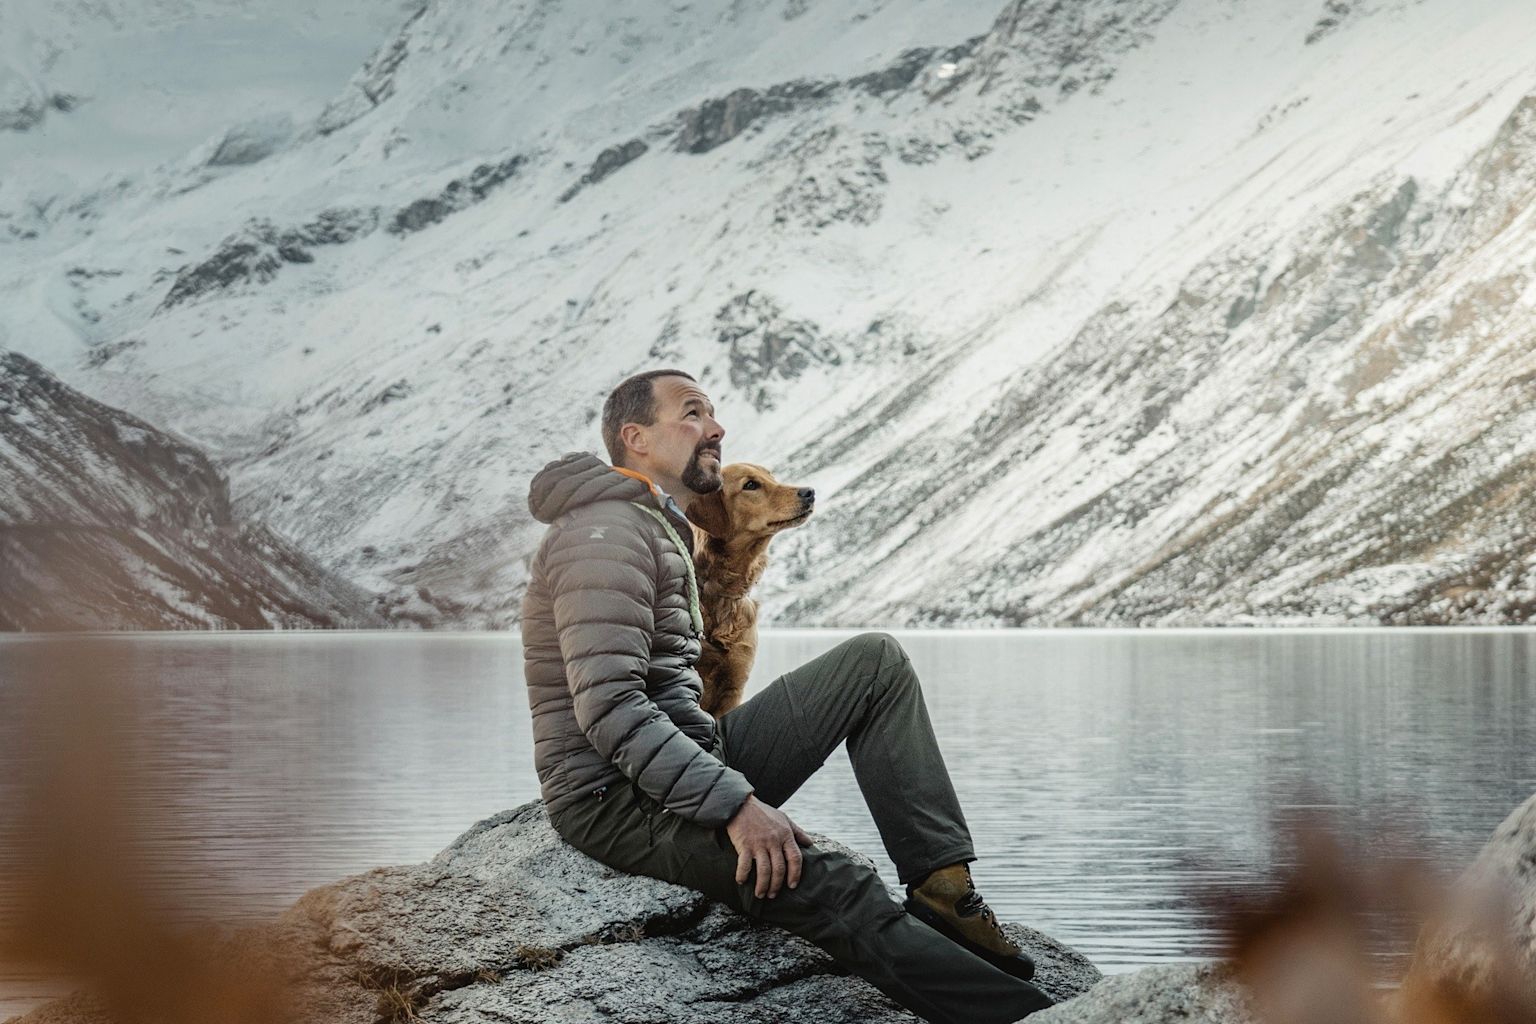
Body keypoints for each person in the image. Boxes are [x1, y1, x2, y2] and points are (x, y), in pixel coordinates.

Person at [520, 368, 1054, 1024]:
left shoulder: (657, 525)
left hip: (688, 753)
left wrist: (721, 777)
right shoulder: (602, 535)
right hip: (615, 800)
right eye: (692, 414)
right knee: (833, 881)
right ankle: (1034, 1018)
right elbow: (609, 709)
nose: (715, 429)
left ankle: (943, 892)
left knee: (873, 663)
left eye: (713, 414)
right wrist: (739, 808)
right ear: (636, 438)